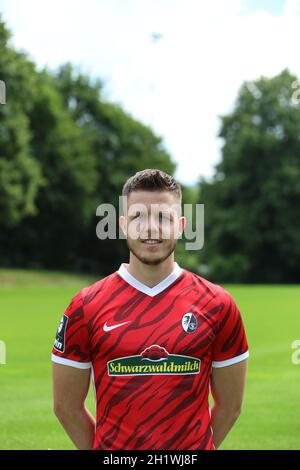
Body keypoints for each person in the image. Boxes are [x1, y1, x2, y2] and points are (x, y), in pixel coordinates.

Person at [51, 168, 249, 450]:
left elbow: (231, 406)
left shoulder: (218, 305)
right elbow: (65, 407)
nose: (151, 228)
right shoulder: (86, 306)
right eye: (138, 217)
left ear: (181, 225)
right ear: (122, 225)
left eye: (163, 218)